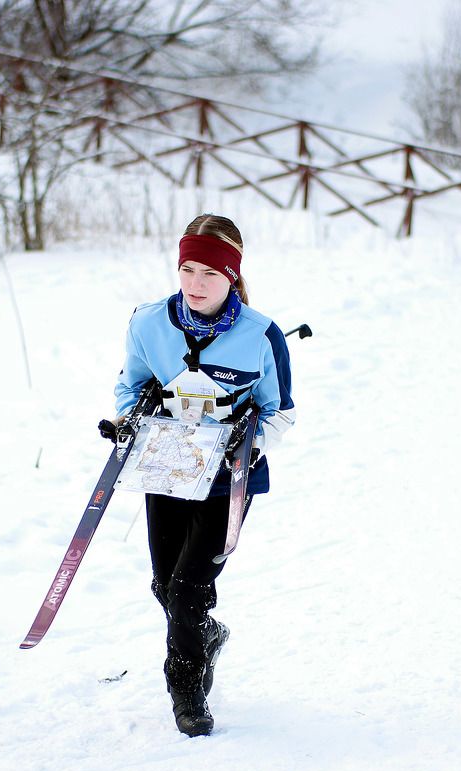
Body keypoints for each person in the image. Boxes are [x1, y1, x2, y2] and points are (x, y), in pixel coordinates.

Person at [111, 213, 295, 737]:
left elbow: (280, 411)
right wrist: (130, 420)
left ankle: (186, 692)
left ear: (232, 276)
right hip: (167, 465)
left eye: (210, 273)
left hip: (225, 478)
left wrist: (246, 440)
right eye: (187, 269)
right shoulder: (148, 323)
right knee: (164, 586)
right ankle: (206, 636)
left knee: (187, 591)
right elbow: (130, 385)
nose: (195, 283)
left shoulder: (261, 336)